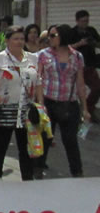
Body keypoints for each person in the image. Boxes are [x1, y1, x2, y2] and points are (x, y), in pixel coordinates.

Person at [0, 25, 43, 181]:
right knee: (1, 145)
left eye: (21, 39)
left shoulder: (33, 58)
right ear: (7, 41)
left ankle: (27, 178)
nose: (19, 42)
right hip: (3, 110)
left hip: (26, 111)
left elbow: (38, 82)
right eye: (15, 39)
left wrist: (41, 105)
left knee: (25, 147)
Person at [36, 24, 90, 178]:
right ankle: (38, 168)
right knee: (45, 138)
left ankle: (77, 172)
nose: (50, 39)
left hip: (69, 103)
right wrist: (40, 104)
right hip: (48, 101)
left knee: (70, 140)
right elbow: (38, 79)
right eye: (49, 36)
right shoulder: (43, 55)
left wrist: (85, 108)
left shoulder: (77, 56)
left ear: (63, 37)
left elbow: (80, 83)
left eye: (53, 36)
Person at [73, 10, 100, 122]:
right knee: (78, 90)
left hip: (90, 64)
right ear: (77, 21)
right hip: (76, 65)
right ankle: (77, 111)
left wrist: (93, 43)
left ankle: (89, 109)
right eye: (83, 21)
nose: (85, 23)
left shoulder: (91, 31)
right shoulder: (72, 32)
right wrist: (80, 43)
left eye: (87, 21)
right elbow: (66, 47)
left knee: (97, 87)